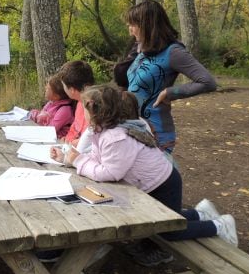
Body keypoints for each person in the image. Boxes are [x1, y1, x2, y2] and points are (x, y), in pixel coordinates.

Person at [51, 84, 237, 246]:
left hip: (163, 184)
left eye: (84, 108)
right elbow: (97, 158)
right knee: (168, 218)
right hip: (152, 183)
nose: (81, 111)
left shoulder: (115, 138)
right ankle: (201, 214)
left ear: (96, 112)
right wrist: (68, 159)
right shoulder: (102, 132)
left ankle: (220, 226)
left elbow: (109, 172)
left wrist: (77, 160)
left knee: (169, 230)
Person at [125, 0, 217, 153]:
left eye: (133, 25)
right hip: (135, 129)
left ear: (148, 25)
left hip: (156, 133)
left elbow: (208, 82)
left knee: (155, 176)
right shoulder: (144, 49)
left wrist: (170, 93)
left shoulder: (173, 52)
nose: (130, 30)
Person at [57, 60, 95, 146]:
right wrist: (67, 139)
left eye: (63, 85)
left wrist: (71, 143)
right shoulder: (80, 103)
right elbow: (75, 128)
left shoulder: (97, 107)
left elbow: (92, 140)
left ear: (72, 90)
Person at [29, 73, 75, 139]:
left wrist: (36, 116)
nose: (45, 88)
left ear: (56, 96)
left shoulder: (65, 110)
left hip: (59, 140)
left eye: (48, 88)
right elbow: (41, 115)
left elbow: (50, 130)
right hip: (48, 136)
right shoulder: (51, 103)